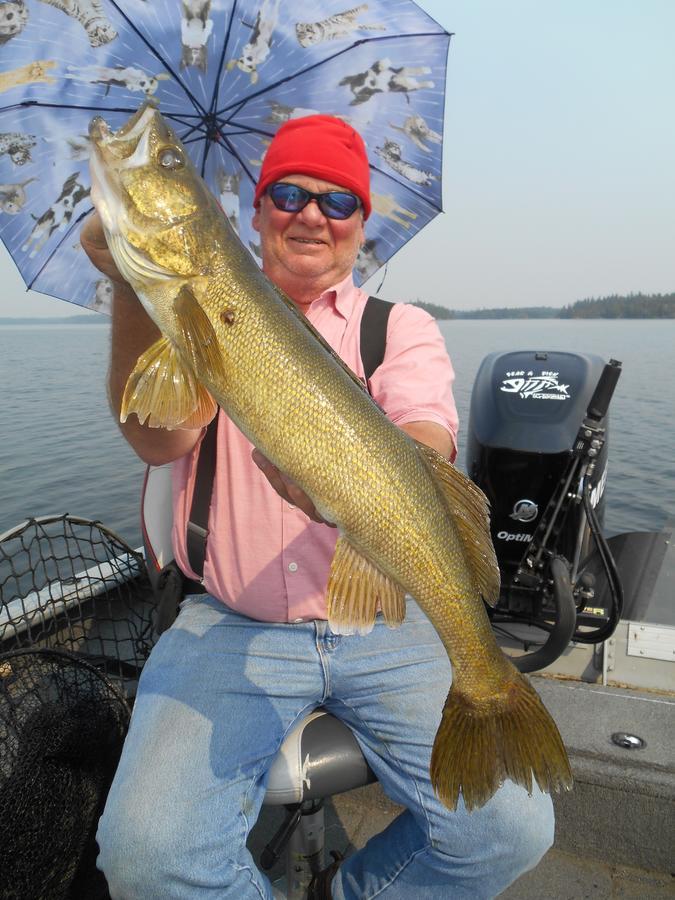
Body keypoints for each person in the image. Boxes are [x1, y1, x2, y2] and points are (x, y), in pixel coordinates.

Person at [81, 114, 554, 899]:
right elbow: (157, 443)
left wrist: (350, 492)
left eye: (337, 203)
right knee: (143, 859)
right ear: (254, 212)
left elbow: (425, 439)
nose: (311, 214)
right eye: (291, 193)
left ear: (361, 226)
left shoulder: (399, 330)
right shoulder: (198, 306)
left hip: (384, 624)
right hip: (227, 620)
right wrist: (134, 285)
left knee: (509, 832)